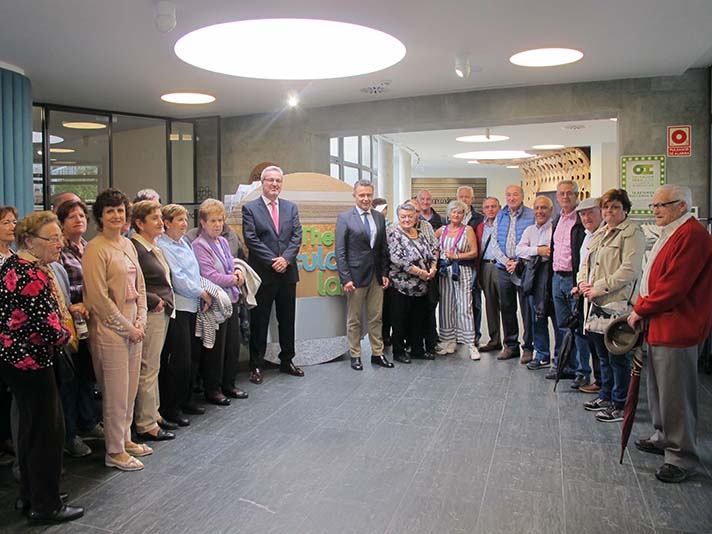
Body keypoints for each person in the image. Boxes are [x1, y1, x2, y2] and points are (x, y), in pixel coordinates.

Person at [0, 211, 84, 523]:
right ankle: (46, 504)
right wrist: (69, 332)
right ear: (30, 242)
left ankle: (30, 495)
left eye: (59, 237)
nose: (59, 244)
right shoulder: (32, 275)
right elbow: (50, 329)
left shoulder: (12, 264)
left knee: (30, 430)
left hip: (12, 359)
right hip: (32, 361)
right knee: (47, 433)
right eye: (52, 239)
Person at [628, 185, 712, 483]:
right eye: (653, 206)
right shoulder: (671, 232)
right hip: (660, 323)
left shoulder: (691, 235)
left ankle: (681, 457)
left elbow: (674, 287)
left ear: (682, 206)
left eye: (663, 205)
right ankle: (663, 436)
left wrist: (640, 309)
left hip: (678, 325)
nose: (656, 210)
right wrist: (643, 305)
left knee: (676, 393)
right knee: (659, 387)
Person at [83, 188, 151, 471]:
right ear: (100, 216)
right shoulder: (95, 249)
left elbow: (142, 287)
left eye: (120, 210)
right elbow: (99, 300)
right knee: (115, 392)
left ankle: (125, 438)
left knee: (130, 389)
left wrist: (142, 320)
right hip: (110, 330)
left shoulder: (128, 244)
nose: (116, 215)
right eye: (109, 211)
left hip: (133, 324)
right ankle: (114, 451)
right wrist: (127, 328)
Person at [577, 189, 644, 423]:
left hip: (617, 304)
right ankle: (605, 396)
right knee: (602, 356)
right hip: (595, 304)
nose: (609, 211)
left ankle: (619, 403)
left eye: (615, 207)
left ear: (625, 209)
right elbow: (586, 262)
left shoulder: (632, 233)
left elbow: (629, 270)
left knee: (618, 357)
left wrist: (599, 287)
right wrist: (582, 283)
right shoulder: (601, 233)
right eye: (606, 207)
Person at [242, 166, 304, 382]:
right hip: (263, 275)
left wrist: (285, 259)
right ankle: (256, 365)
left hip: (287, 273)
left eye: (278, 181)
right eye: (271, 180)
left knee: (287, 320)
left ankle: (287, 360)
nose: (275, 184)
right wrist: (273, 261)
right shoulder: (250, 208)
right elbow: (251, 239)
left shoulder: (291, 208)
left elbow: (297, 236)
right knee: (259, 322)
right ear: (262, 182)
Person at [157, 204, 212, 425]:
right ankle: (172, 407)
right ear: (167, 223)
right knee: (178, 360)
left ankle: (187, 399)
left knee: (192, 357)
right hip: (178, 308)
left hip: (193, 305)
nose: (184, 222)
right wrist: (201, 293)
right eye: (178, 219)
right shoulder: (163, 246)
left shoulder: (184, 243)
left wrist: (201, 294)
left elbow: (195, 272)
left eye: (185, 218)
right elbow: (178, 279)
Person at [56, 200, 102, 458]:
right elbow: (62, 285)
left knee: (87, 373)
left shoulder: (88, 247)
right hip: (70, 319)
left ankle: (88, 422)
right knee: (70, 381)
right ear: (62, 222)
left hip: (91, 318)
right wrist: (78, 301)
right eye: (72, 217)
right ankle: (70, 434)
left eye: (82, 216)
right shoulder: (59, 250)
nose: (78, 220)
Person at [192, 199, 247, 404]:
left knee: (232, 347)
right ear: (203, 223)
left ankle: (229, 384)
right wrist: (233, 279)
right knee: (215, 349)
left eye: (221, 220)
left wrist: (238, 271)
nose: (217, 224)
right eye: (213, 220)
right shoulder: (199, 245)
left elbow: (230, 263)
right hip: (214, 303)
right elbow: (209, 275)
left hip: (231, 300)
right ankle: (213, 389)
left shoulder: (223, 241)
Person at [130, 201, 177, 441]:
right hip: (151, 312)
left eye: (161, 217)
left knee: (154, 365)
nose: (161, 222)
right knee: (148, 368)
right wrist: (152, 300)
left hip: (162, 311)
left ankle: (154, 414)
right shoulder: (135, 248)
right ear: (139, 223)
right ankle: (146, 422)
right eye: (155, 218)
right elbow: (131, 281)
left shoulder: (152, 245)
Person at [335, 180, 392, 371]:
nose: (366, 198)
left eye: (369, 195)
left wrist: (384, 272)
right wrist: (346, 278)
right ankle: (355, 354)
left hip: (376, 276)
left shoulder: (378, 217)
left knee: (376, 317)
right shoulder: (345, 218)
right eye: (362, 195)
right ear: (355, 196)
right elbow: (340, 251)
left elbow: (383, 248)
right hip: (355, 277)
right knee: (354, 318)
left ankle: (377, 353)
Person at [541, 180, 591, 385]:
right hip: (557, 277)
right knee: (561, 325)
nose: (565, 197)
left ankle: (582, 370)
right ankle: (565, 365)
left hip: (573, 278)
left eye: (569, 193)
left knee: (578, 326)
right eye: (561, 193)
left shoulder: (581, 220)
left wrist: (580, 281)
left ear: (577, 195)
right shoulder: (558, 219)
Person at [387, 203, 437, 363]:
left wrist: (433, 268)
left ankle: (417, 349)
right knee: (400, 320)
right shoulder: (393, 234)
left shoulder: (421, 233)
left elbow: (431, 254)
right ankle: (399, 352)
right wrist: (421, 273)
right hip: (402, 286)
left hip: (422, 287)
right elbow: (398, 260)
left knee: (418, 320)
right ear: (399, 218)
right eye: (403, 217)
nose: (407, 219)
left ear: (416, 217)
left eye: (410, 216)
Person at [490, 185, 535, 361]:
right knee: (507, 307)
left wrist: (517, 262)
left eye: (515, 194)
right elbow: (495, 241)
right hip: (503, 268)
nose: (511, 198)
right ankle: (510, 345)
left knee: (526, 309)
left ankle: (528, 348)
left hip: (523, 267)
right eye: (508, 195)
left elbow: (533, 240)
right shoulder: (500, 215)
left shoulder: (531, 215)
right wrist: (506, 261)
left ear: (522, 196)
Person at [435, 200, 479, 359]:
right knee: (446, 305)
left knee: (464, 305)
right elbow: (432, 245)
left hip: (463, 270)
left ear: (464, 215)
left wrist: (457, 256)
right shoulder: (442, 230)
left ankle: (470, 343)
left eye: (460, 212)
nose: (456, 215)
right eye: (454, 212)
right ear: (448, 214)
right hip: (445, 272)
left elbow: (474, 252)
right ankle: (448, 340)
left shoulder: (468, 230)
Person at [515, 196, 554, 367]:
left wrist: (532, 252)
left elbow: (552, 252)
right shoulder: (530, 230)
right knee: (537, 317)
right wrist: (538, 250)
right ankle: (542, 354)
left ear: (551, 210)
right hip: (533, 278)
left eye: (544, 208)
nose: (540, 211)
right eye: (537, 208)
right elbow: (519, 250)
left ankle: (560, 357)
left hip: (551, 277)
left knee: (556, 319)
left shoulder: (555, 229)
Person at [573, 198, 604, 394]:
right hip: (585, 293)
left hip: (600, 295)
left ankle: (604, 384)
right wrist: (579, 284)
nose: (586, 218)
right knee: (590, 339)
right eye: (583, 214)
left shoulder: (604, 235)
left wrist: (592, 287)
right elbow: (583, 265)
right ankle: (600, 381)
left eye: (590, 213)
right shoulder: (586, 236)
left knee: (600, 344)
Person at [456, 186, 485, 347]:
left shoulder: (479, 219)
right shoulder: (451, 218)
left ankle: (475, 334)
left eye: (467, 197)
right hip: (455, 266)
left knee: (474, 301)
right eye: (461, 196)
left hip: (473, 265)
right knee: (457, 302)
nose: (464, 199)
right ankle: (460, 333)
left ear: (472, 199)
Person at [475, 197, 502, 352]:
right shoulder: (480, 227)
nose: (490, 209)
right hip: (485, 266)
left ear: (499, 207)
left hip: (500, 266)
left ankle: (511, 343)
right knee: (490, 304)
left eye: (493, 206)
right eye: (487, 207)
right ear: (483, 209)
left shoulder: (504, 224)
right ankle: (495, 339)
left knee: (506, 304)